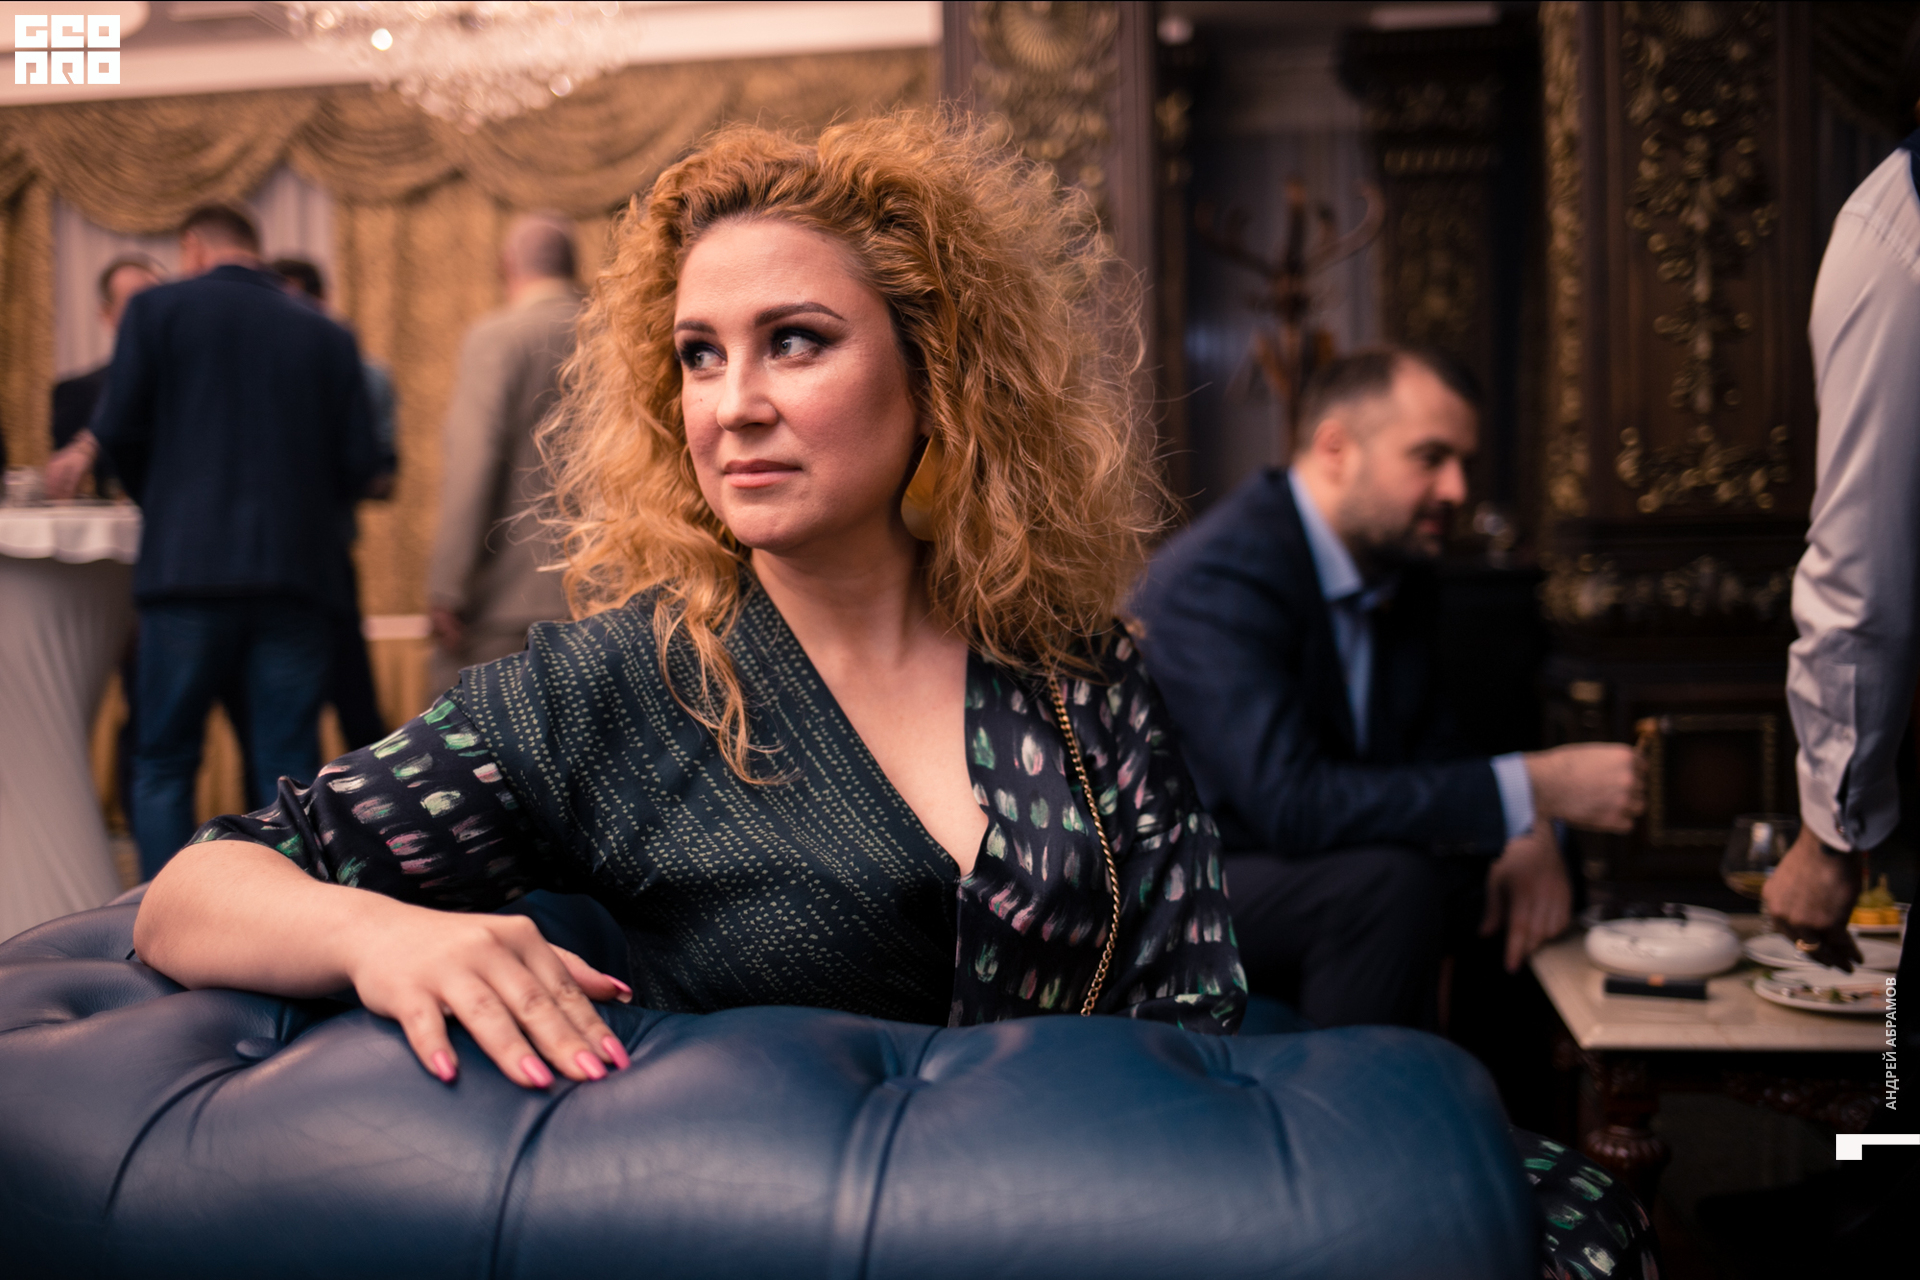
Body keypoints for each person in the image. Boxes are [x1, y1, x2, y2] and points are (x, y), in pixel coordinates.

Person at [130, 114, 1655, 1280]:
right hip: (806, 1245)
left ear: (938, 374)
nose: (733, 405)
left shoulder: (1074, 666)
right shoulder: (616, 683)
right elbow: (193, 892)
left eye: (794, 342)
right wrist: (386, 934)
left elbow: (1197, 1018)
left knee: (1574, 1221)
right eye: (699, 356)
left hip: (1120, 1211)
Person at [1132, 348, 1645, 1028]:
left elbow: (1431, 750)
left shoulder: (1399, 563)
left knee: (1522, 864)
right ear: (1336, 449)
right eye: (1431, 458)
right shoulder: (1222, 577)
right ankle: (1352, 1099)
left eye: (1463, 463)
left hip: (1306, 849)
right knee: (1387, 887)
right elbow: (1291, 802)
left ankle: (1504, 1091)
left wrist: (1522, 828)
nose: (1457, 489)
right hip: (1188, 879)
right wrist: (1532, 787)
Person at [90, 203, 379, 880]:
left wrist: (167, 505)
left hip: (185, 572)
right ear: (255, 246)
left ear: (192, 246)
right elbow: (361, 465)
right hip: (297, 577)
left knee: (165, 762)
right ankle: (278, 919)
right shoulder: (327, 332)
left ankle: (160, 916)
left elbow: (118, 432)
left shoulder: (155, 311)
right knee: (285, 768)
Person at [424, 214, 581, 693]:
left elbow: (473, 462)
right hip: (607, 593)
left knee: (462, 731)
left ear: (505, 265)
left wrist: (447, 587)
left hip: (508, 603)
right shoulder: (620, 335)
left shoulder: (497, 338)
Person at [272, 255, 396, 751]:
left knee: (353, 707)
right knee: (282, 719)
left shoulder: (362, 373)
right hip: (279, 563)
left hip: (326, 554)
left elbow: (381, 475)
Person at [42, 253, 163, 500]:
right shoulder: (77, 394)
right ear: (106, 314)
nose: (152, 314)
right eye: (137, 305)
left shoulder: (194, 386)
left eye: (159, 302)